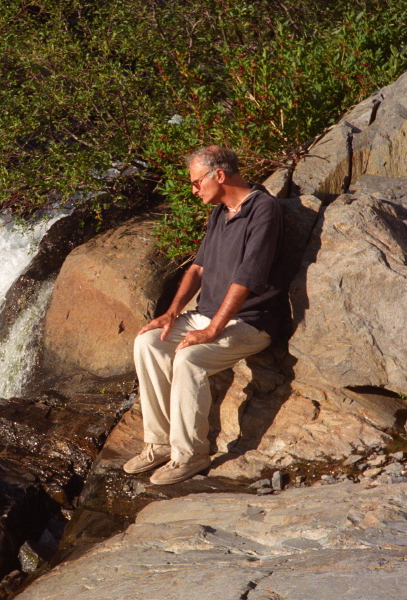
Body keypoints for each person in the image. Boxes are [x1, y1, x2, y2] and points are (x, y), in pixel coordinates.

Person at [125, 145, 284, 485]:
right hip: (204, 315)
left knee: (189, 359)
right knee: (148, 343)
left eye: (197, 182)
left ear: (220, 176)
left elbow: (248, 278)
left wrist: (213, 329)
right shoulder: (220, 213)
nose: (193, 189)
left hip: (250, 321)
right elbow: (197, 269)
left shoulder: (263, 209)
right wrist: (171, 312)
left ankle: (190, 454)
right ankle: (159, 444)